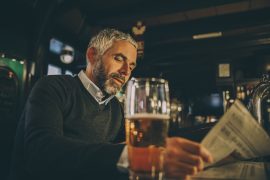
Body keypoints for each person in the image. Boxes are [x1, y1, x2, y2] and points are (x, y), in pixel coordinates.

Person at [9, 28, 212, 180]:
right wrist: (135, 157)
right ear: (92, 55)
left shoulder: (116, 108)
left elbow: (125, 150)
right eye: (118, 58)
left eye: (131, 66)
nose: (126, 71)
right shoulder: (53, 87)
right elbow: (41, 153)